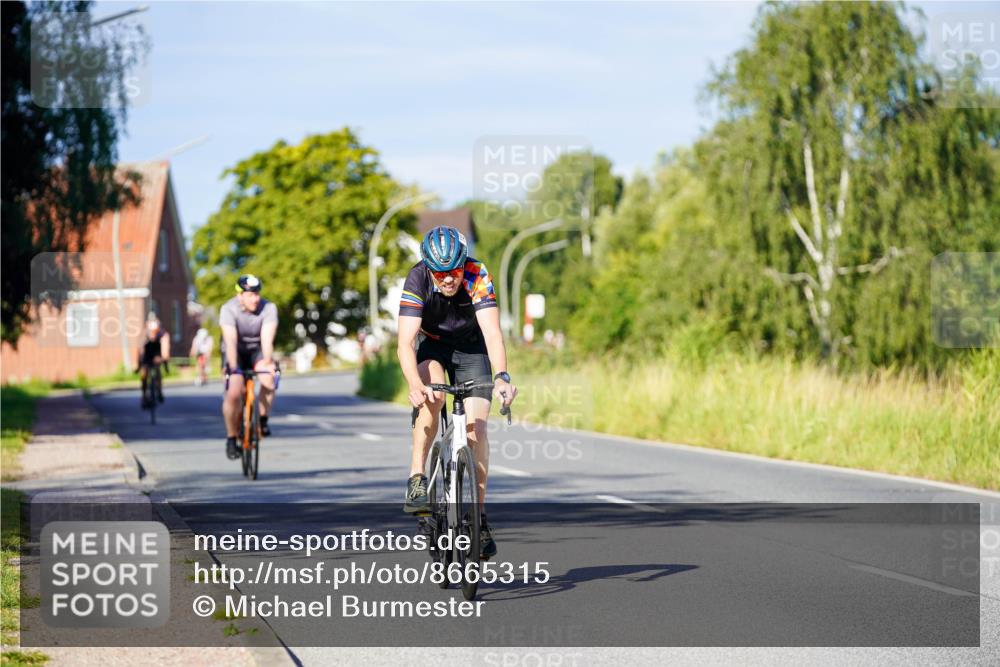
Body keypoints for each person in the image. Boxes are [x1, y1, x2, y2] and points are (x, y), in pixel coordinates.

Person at [397, 225, 517, 560]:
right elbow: (405, 342)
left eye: (454, 271)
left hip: (471, 349)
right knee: (432, 398)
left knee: (476, 430)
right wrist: (413, 384)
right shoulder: (417, 278)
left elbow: (492, 334)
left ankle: (478, 519)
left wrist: (503, 377)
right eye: (440, 273)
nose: (448, 279)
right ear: (429, 269)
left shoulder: (477, 274)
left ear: (464, 262)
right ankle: (417, 476)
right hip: (432, 348)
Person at [219, 274, 279, 460]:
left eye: (257, 294)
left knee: (269, 378)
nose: (256, 298)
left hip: (257, 350)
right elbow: (230, 341)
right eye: (250, 294)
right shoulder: (228, 309)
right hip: (234, 351)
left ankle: (262, 419)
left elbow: (267, 340)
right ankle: (231, 439)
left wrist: (268, 363)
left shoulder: (269, 308)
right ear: (240, 296)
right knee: (234, 392)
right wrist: (234, 368)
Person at [137, 316, 170, 407]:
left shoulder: (163, 334)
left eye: (155, 332)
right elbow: (140, 350)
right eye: (151, 333)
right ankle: (144, 396)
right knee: (144, 373)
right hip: (147, 353)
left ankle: (159, 390)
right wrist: (139, 364)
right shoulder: (144, 334)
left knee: (158, 369)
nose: (153, 335)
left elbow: (165, 349)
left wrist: (164, 360)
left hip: (157, 352)